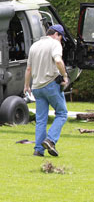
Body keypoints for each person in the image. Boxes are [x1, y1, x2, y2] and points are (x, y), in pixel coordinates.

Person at [24, 24, 69, 157]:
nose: (60, 41)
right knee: (62, 114)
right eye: (61, 38)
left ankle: (38, 150)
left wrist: (27, 85)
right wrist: (65, 76)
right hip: (51, 85)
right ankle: (50, 140)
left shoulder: (34, 46)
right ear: (57, 34)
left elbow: (28, 69)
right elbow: (58, 61)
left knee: (41, 120)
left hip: (37, 87)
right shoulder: (55, 44)